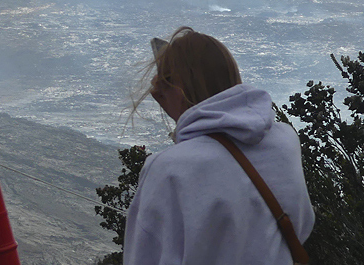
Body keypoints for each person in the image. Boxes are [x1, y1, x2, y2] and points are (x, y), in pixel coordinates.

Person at [123, 26, 314, 265]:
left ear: (174, 89)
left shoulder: (169, 169)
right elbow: (302, 225)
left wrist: (177, 112)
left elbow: (144, 256)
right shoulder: (285, 140)